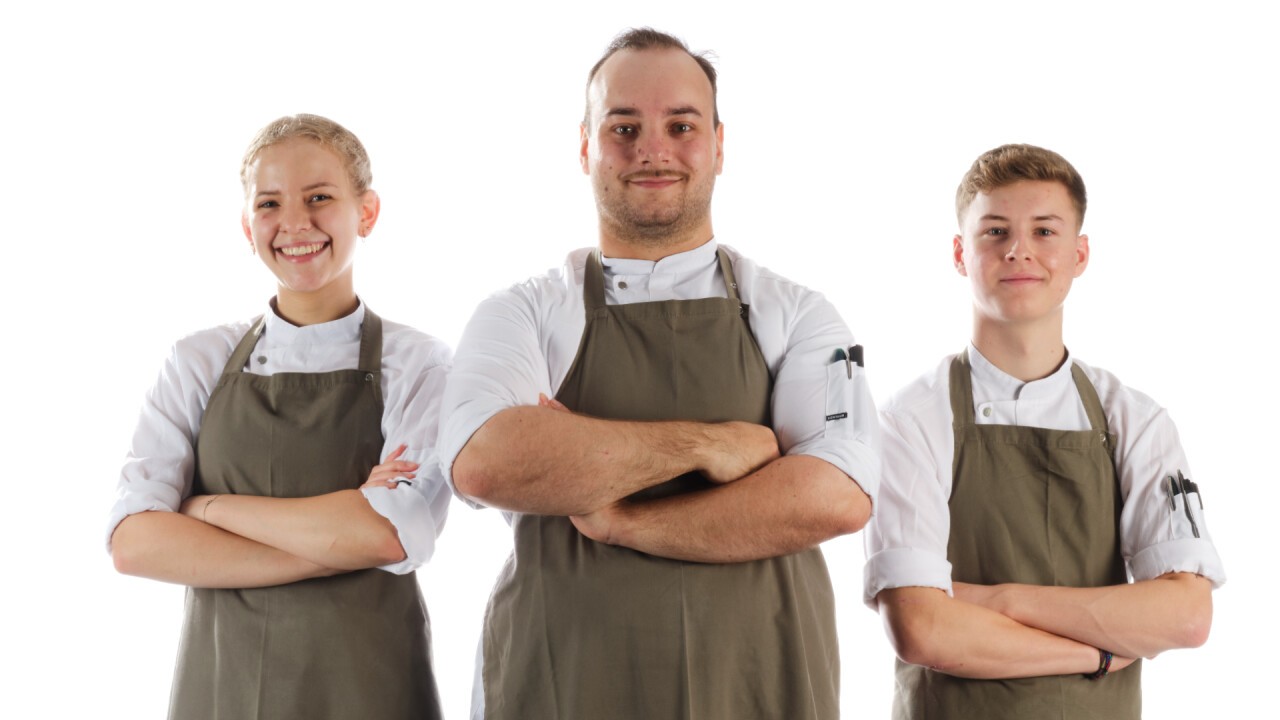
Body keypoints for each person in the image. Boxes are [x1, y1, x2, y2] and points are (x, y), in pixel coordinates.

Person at [437, 28, 877, 720]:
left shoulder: (799, 315)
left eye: (681, 124)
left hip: (758, 684)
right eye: (623, 127)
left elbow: (837, 496)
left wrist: (621, 520)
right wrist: (711, 447)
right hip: (563, 684)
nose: (652, 149)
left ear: (720, 145)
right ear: (584, 146)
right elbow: (486, 464)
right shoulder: (519, 313)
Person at [864, 143, 1226, 719]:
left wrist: (997, 600)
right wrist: (1099, 655)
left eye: (1044, 232)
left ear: (1080, 254)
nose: (1018, 251)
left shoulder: (1134, 419)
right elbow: (922, 627)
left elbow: (1185, 615)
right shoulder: (911, 419)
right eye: (995, 232)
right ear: (961, 253)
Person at [108, 114, 449, 719]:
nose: (295, 223)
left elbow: (391, 533)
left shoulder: (417, 363)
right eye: (270, 203)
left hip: (369, 689)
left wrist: (207, 509)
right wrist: (337, 536)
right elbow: (134, 542)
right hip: (223, 690)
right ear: (247, 225)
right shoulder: (198, 361)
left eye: (320, 197)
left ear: (366, 212)